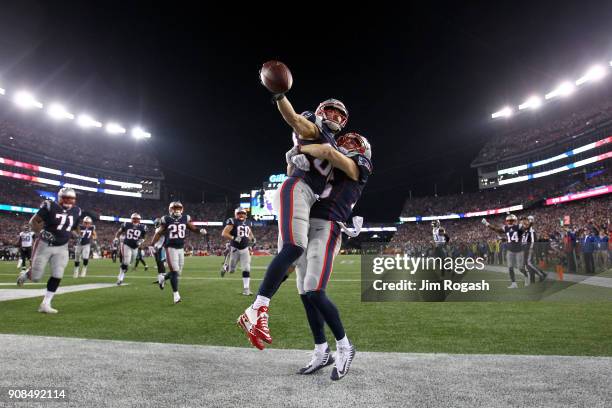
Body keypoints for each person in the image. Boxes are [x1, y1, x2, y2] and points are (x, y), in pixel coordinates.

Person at [237, 82, 349, 347]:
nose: (333, 116)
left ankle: (320, 347)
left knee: (303, 280)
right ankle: (257, 308)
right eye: (329, 111)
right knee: (295, 246)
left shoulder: (335, 146)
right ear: (321, 112)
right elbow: (297, 121)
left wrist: (292, 158)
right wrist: (280, 95)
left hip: (309, 198)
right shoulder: (314, 126)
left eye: (338, 113)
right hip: (297, 190)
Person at [289, 132, 372, 381]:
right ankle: (321, 351)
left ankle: (345, 346)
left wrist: (302, 146)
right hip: (306, 224)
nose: (345, 147)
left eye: (351, 145)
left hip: (329, 225)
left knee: (314, 290)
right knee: (305, 294)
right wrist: (294, 158)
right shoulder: (327, 167)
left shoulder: (357, 167)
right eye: (343, 143)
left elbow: (328, 152)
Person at [17, 188, 82, 313]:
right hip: (44, 244)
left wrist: (77, 235)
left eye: (71, 198)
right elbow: (33, 221)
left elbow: (74, 227)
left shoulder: (77, 211)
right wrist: (40, 232)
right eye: (66, 198)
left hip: (62, 247)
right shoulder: (50, 206)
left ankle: (45, 303)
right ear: (60, 198)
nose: (68, 201)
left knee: (58, 275)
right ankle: (27, 274)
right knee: (36, 277)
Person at [150, 201, 207, 304]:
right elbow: (159, 233)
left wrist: (199, 231)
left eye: (178, 208)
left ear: (181, 209)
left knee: (177, 272)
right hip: (170, 248)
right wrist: (152, 244)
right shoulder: (166, 219)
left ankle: (163, 278)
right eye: (174, 208)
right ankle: (176, 295)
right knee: (175, 271)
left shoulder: (185, 218)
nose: (176, 210)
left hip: (181, 248)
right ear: (170, 209)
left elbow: (192, 228)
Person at [482, 214, 528, 288]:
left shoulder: (519, 226)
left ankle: (526, 277)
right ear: (507, 221)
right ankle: (514, 283)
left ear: (515, 221)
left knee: (520, 268)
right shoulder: (505, 228)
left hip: (519, 250)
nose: (510, 222)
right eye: (509, 221)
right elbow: (495, 229)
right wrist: (487, 224)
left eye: (511, 221)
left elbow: (525, 229)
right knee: (510, 267)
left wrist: (525, 224)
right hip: (510, 250)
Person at [221, 207, 256, 295]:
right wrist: (234, 238)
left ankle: (246, 289)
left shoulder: (248, 222)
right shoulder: (232, 221)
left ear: (246, 214)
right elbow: (224, 233)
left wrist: (252, 238)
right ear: (236, 214)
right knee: (231, 271)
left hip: (245, 249)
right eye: (239, 213)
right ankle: (226, 267)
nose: (241, 215)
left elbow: (249, 232)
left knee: (246, 268)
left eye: (243, 213)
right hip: (235, 248)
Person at [115, 213, 147, 285]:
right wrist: (116, 238)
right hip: (126, 245)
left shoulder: (143, 227)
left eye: (137, 219)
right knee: (126, 262)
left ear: (139, 220)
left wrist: (141, 241)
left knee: (130, 262)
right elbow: (119, 232)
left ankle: (124, 268)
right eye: (134, 219)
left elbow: (144, 236)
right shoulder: (126, 224)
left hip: (135, 247)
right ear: (131, 219)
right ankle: (120, 278)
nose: (135, 220)